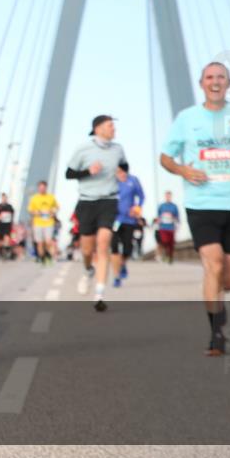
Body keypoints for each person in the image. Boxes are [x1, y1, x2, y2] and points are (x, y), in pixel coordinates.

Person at [160, 62, 230, 356]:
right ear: (201, 83)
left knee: (229, 280)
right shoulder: (186, 118)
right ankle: (216, 333)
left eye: (220, 77)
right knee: (214, 264)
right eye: (209, 77)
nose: (215, 81)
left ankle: (218, 304)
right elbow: (165, 157)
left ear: (228, 83)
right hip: (201, 204)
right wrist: (183, 170)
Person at [66, 115, 127, 312]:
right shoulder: (83, 149)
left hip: (109, 200)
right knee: (87, 250)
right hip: (87, 202)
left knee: (103, 244)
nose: (114, 129)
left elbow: (124, 165)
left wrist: (122, 172)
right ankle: (87, 271)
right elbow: (69, 173)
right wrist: (88, 172)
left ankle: (99, 294)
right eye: (110, 126)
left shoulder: (118, 149)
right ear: (98, 129)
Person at [112, 163, 144, 287]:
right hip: (114, 220)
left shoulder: (133, 180)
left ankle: (123, 263)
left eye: (121, 171)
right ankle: (116, 276)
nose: (119, 174)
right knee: (114, 247)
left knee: (127, 249)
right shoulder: (112, 181)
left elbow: (141, 197)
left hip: (129, 220)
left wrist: (137, 209)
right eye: (117, 172)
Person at [27, 180, 59, 265]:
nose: (42, 189)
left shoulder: (51, 197)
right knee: (40, 242)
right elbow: (30, 210)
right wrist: (36, 212)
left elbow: (56, 207)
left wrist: (52, 211)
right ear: (38, 188)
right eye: (40, 187)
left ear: (46, 188)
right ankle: (42, 258)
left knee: (48, 241)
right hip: (38, 223)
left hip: (49, 222)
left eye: (43, 187)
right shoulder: (34, 198)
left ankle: (49, 256)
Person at [154, 191, 180, 263]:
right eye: (167, 196)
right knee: (164, 241)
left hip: (171, 227)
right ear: (165, 196)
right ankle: (166, 254)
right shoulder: (161, 206)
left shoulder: (174, 206)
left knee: (171, 243)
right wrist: (158, 222)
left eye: (169, 196)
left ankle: (170, 256)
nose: (168, 197)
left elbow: (177, 217)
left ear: (171, 197)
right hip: (163, 227)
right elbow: (158, 216)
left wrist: (176, 222)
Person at [0, 193, 15, 260]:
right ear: (1, 198)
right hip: (0, 225)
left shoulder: (10, 206)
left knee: (6, 237)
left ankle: (6, 251)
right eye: (3, 198)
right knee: (0, 241)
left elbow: (12, 214)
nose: (4, 199)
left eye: (5, 198)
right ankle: (1, 251)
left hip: (7, 225)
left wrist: (12, 223)